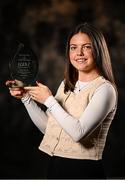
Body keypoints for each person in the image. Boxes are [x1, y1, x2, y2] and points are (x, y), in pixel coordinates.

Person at [6, 22, 117, 179]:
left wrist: (49, 100)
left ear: (98, 50)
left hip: (85, 172)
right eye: (73, 47)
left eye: (86, 47)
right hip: (56, 168)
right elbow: (49, 128)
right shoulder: (66, 85)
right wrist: (26, 99)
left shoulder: (105, 90)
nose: (79, 53)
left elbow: (78, 133)